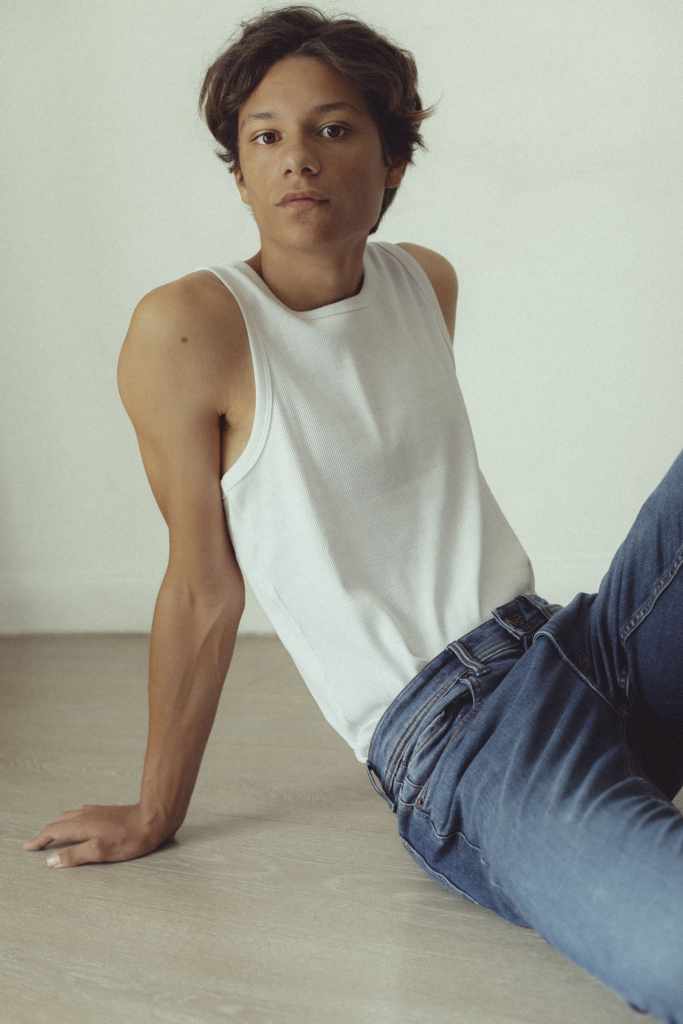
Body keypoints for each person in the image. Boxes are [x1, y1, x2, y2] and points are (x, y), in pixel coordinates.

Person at [22, 6, 683, 1020]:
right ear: (239, 172)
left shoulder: (423, 281)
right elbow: (202, 588)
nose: (297, 158)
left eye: (332, 129)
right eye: (265, 136)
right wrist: (156, 810)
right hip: (459, 743)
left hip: (573, 647)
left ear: (392, 161)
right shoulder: (189, 328)